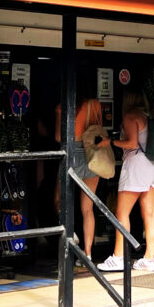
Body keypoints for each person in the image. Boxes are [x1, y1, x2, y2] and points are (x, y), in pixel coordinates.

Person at [98, 86, 154, 273]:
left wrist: (109, 141)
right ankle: (149, 259)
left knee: (122, 212)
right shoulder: (148, 115)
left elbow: (132, 143)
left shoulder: (130, 116)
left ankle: (118, 256)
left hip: (136, 165)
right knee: (150, 214)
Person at [55, 95, 110, 258]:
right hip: (92, 153)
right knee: (87, 209)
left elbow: (59, 137)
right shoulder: (95, 104)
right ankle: (88, 253)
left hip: (72, 153)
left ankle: (72, 235)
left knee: (59, 200)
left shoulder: (62, 104)